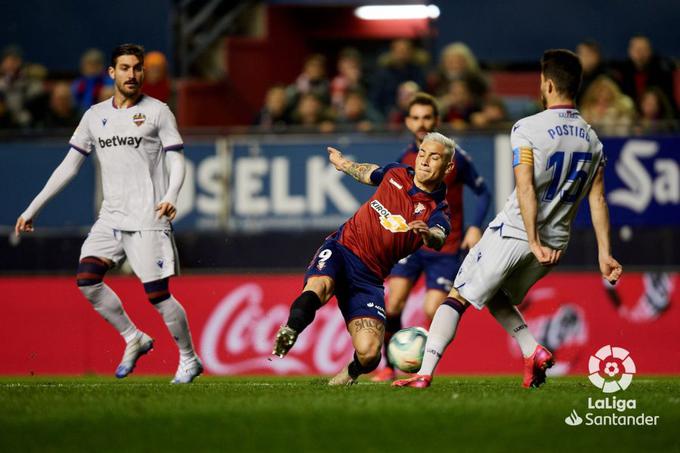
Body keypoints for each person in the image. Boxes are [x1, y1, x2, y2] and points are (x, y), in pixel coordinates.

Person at [394, 49, 622, 389]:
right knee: (495, 293)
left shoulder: (528, 127)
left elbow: (525, 187)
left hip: (517, 232)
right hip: (556, 243)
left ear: (546, 85)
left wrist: (530, 238)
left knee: (456, 296)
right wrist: (605, 254)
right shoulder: (593, 140)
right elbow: (598, 199)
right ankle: (533, 351)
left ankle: (423, 373)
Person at [15, 43, 202, 384]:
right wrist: (32, 208)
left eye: (138, 68)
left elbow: (177, 158)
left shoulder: (158, 111)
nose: (133, 74)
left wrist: (171, 194)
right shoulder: (94, 116)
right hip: (111, 216)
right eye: (126, 68)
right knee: (87, 281)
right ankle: (134, 338)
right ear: (112, 73)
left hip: (149, 216)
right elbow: (69, 167)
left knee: (158, 297)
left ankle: (189, 359)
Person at [271, 132, 456, 385]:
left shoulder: (439, 211)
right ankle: (290, 329)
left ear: (448, 166)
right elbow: (369, 173)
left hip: (369, 278)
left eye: (434, 157)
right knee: (320, 287)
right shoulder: (396, 174)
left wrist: (428, 235)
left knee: (370, 355)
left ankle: (347, 376)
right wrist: (344, 164)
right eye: (422, 153)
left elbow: (439, 236)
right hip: (342, 249)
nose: (423, 161)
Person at [372, 92, 491, 382]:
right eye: (416, 117)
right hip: (411, 246)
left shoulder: (455, 157)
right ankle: (388, 365)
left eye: (427, 117)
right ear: (408, 122)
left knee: (431, 308)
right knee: (393, 304)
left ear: (436, 120)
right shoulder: (404, 159)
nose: (421, 123)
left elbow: (483, 192)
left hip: (445, 248)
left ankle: (422, 365)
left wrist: (475, 226)